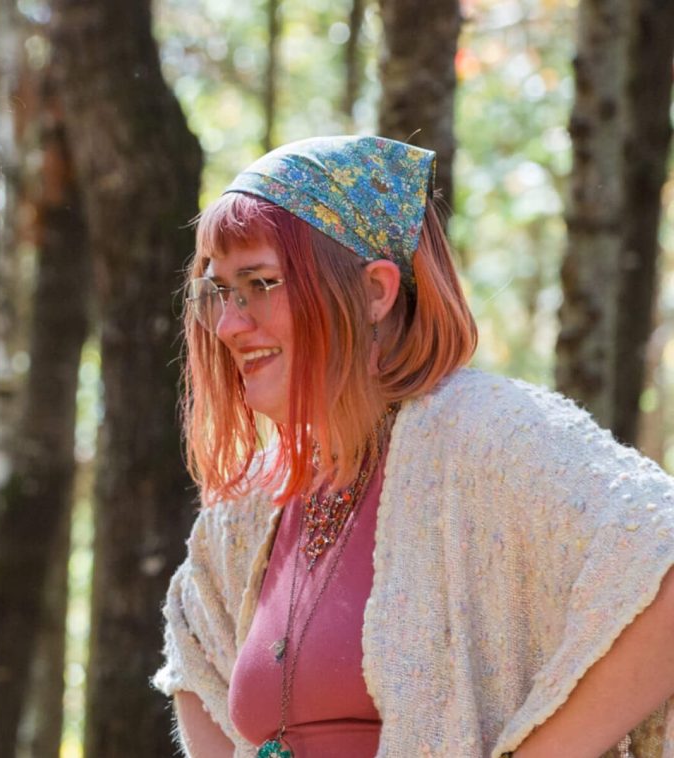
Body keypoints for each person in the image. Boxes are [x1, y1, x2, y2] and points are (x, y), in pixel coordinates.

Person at [157, 135, 674, 757]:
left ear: (376, 291)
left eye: (260, 282)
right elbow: (195, 654)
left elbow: (661, 552)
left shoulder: (484, 433)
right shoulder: (242, 515)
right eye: (217, 292)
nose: (228, 324)